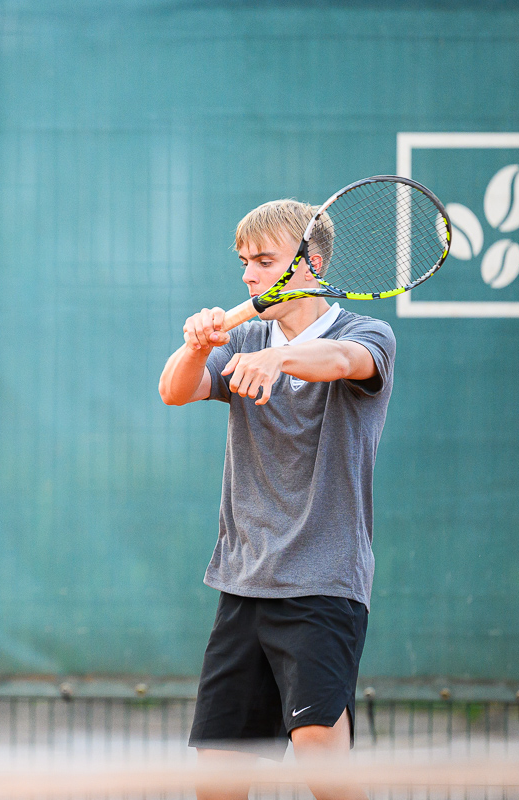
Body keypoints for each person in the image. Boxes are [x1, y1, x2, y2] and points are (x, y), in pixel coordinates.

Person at [158, 199, 397, 800]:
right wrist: (197, 346)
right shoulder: (243, 336)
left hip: (322, 584)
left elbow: (341, 361)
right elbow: (173, 390)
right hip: (243, 583)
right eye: (244, 262)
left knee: (321, 758)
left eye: (264, 261)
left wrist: (278, 357)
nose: (249, 275)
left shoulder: (367, 334)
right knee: (218, 781)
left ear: (310, 263)